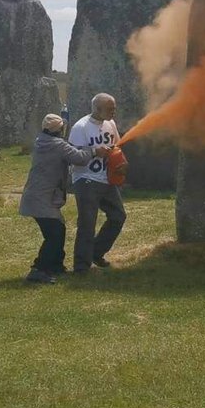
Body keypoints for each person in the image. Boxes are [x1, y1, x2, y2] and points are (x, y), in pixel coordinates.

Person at [18, 113, 110, 284]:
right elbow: (79, 158)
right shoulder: (57, 145)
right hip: (42, 198)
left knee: (58, 230)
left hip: (36, 196)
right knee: (54, 235)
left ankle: (56, 266)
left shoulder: (41, 141)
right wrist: (96, 151)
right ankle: (39, 270)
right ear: (60, 130)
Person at [68, 93, 127, 273]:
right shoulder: (81, 127)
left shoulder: (110, 124)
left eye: (114, 108)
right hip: (86, 180)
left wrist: (119, 162)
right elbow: (73, 157)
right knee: (87, 223)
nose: (113, 112)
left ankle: (96, 252)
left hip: (106, 179)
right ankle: (81, 267)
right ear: (97, 109)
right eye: (110, 109)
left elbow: (116, 145)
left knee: (118, 216)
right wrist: (94, 151)